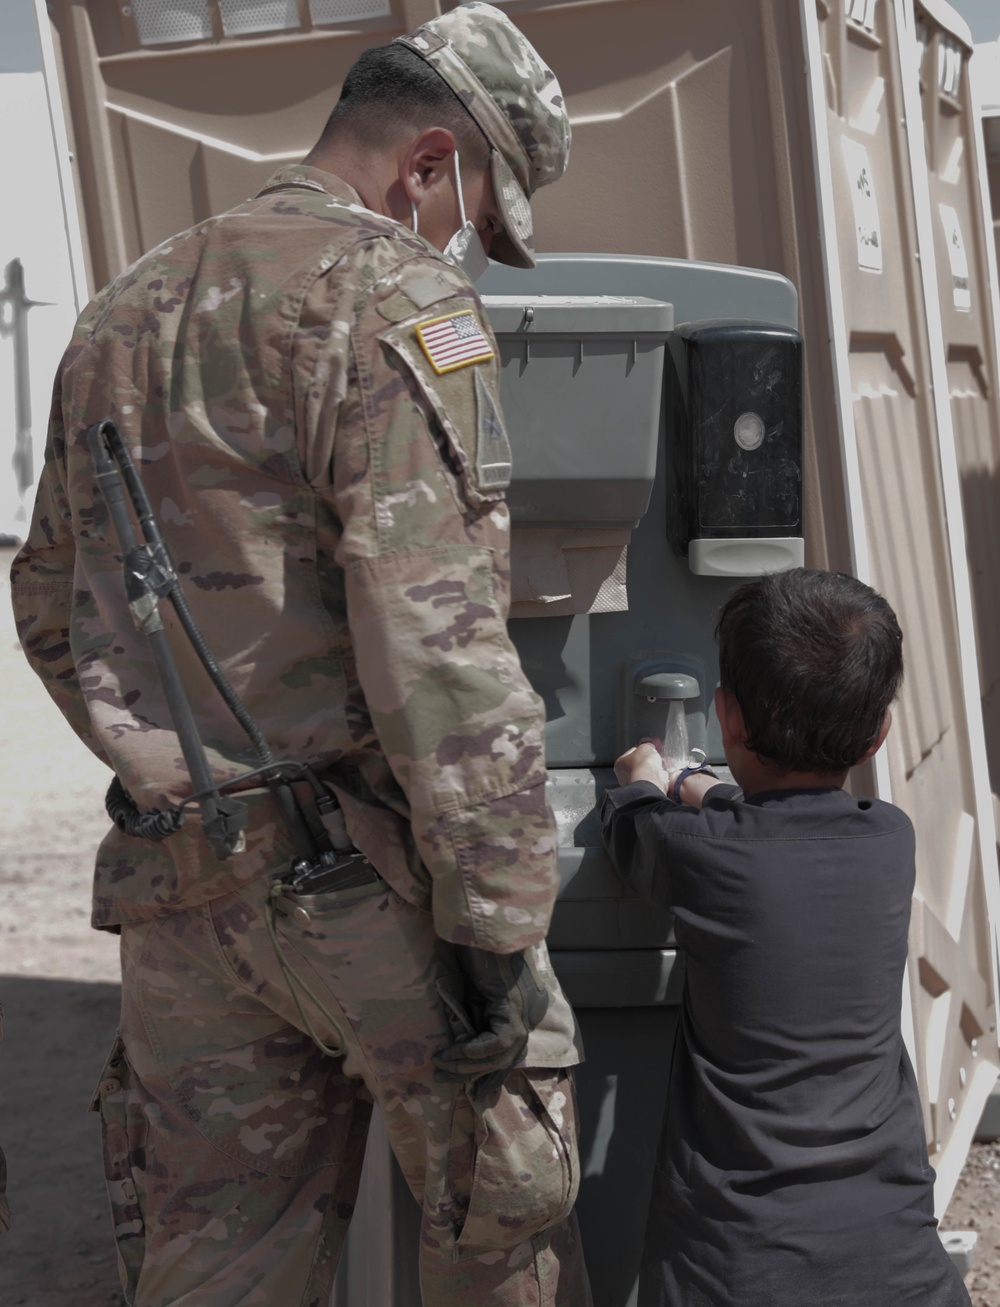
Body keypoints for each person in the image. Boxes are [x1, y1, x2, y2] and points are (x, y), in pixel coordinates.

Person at [10, 4, 592, 1304]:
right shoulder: (394, 298)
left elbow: (49, 605)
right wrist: (497, 922)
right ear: (429, 162)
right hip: (366, 886)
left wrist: (171, 752)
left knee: (216, 1265)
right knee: (498, 1224)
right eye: (474, 217)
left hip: (178, 887)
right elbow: (438, 646)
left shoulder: (119, 309)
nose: (464, 250)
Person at [600, 568, 971, 1307]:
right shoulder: (888, 841)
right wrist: (696, 785)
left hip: (736, 1268)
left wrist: (646, 775)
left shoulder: (695, 852)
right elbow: (769, 826)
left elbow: (631, 832)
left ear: (725, 717)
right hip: (895, 1266)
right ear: (877, 735)